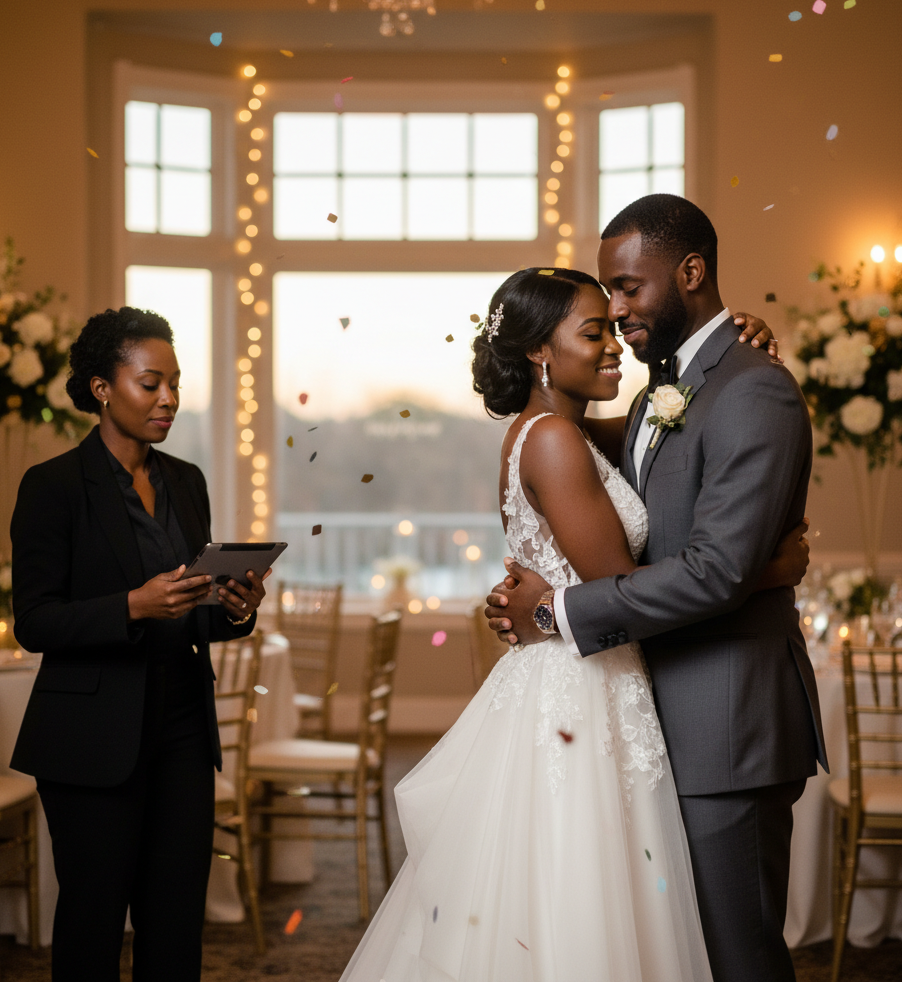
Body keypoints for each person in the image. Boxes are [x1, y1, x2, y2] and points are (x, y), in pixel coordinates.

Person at [338, 265, 805, 981]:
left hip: (591, 676)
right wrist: (762, 571)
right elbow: (619, 587)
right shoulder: (554, 439)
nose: (615, 343)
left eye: (616, 328)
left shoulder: (570, 432)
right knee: (578, 893)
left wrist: (739, 348)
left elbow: (672, 431)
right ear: (538, 352)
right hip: (582, 692)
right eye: (594, 332)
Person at [487, 195, 828, 982]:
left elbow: (716, 571)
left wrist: (556, 609)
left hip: (727, 724)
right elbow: (570, 455)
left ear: (692, 272)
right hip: (655, 715)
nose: (617, 310)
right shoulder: (654, 397)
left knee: (738, 955)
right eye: (604, 300)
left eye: (629, 289)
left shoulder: (753, 389)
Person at [9, 307, 269, 982]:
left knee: (176, 921)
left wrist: (234, 609)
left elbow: (193, 614)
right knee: (93, 920)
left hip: (182, 726)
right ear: (102, 388)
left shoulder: (186, 481)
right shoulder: (53, 488)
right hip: (89, 736)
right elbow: (34, 622)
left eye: (175, 384)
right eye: (150, 383)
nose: (169, 399)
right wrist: (133, 605)